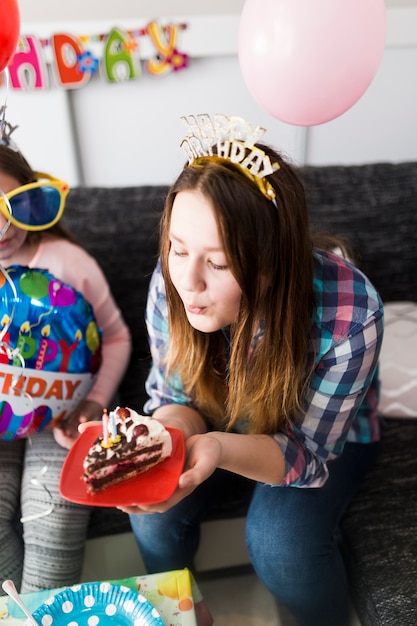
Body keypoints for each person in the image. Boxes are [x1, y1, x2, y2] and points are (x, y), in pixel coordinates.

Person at [84, 113, 383, 626]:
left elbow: (306, 455)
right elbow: (178, 396)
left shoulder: (351, 317)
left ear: (272, 261)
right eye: (178, 249)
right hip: (215, 416)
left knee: (281, 544)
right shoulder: (171, 281)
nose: (188, 281)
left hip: (318, 441)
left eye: (218, 264)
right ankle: (180, 617)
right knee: (154, 523)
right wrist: (160, 441)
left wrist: (218, 449)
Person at [0, 113, 132, 593]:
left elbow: (117, 337)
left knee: (52, 516)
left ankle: (45, 612)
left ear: (33, 199)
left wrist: (94, 403)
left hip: (60, 417)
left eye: (12, 205)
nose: (2, 229)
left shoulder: (68, 263)